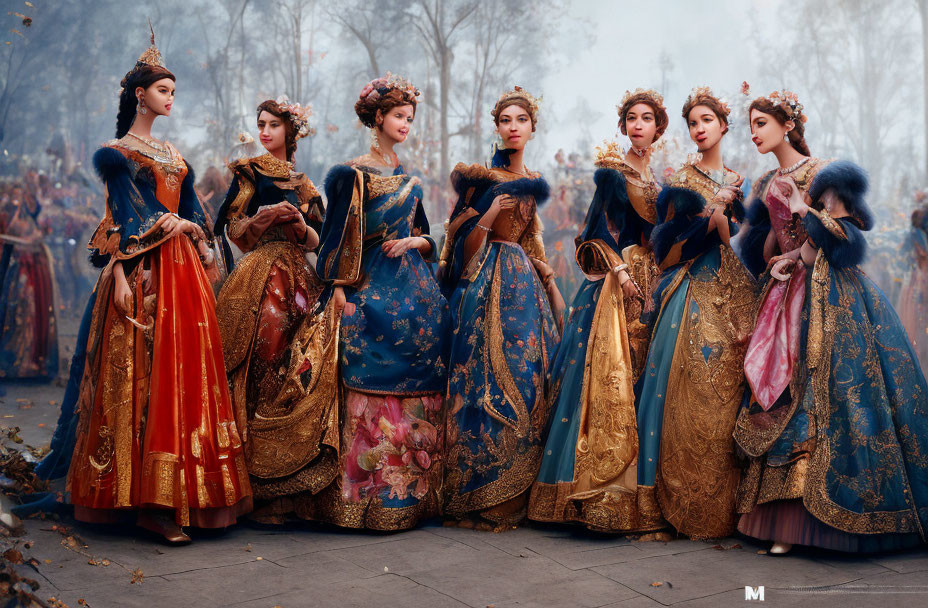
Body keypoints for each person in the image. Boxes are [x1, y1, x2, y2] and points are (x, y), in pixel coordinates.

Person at [37, 33, 251, 543]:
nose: (170, 97)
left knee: (186, 376)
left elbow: (193, 212)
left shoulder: (174, 153)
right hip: (146, 272)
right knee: (143, 380)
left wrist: (197, 233)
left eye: (173, 90)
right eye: (162, 89)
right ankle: (145, 503)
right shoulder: (118, 154)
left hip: (184, 277)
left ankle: (186, 494)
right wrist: (129, 262)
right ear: (140, 94)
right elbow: (126, 216)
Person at [735, 90, 928, 554]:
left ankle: (829, 515)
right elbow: (761, 243)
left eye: (762, 123)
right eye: (752, 126)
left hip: (831, 294)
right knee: (781, 391)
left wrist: (806, 213)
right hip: (784, 293)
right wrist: (777, 259)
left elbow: (849, 237)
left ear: (787, 124)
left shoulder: (824, 173)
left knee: (828, 390)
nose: (756, 133)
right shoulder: (763, 182)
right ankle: (783, 520)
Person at [308, 74, 448, 530]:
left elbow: (429, 235)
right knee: (367, 373)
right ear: (377, 118)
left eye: (410, 118)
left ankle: (414, 495)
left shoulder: (411, 181)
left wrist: (415, 243)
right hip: (369, 293)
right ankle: (364, 494)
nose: (405, 124)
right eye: (398, 116)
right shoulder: (353, 174)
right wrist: (339, 289)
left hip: (415, 295)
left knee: (424, 371)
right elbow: (333, 240)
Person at [528, 89, 666, 531]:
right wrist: (623, 274)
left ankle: (639, 491)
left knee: (642, 383)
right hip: (616, 285)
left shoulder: (659, 181)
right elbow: (592, 233)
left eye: (647, 118)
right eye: (631, 117)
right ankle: (591, 492)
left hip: (653, 285)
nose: (638, 124)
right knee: (607, 382)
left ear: (659, 128)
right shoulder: (613, 174)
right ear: (623, 125)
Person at [635, 87, 756, 539]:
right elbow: (665, 255)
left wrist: (730, 216)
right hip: (691, 293)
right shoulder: (681, 181)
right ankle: (676, 503)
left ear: (724, 126)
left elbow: (745, 244)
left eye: (707, 120)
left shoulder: (739, 179)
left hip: (736, 295)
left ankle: (727, 508)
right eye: (693, 122)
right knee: (687, 391)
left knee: (728, 393)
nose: (700, 128)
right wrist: (711, 215)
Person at [441, 86, 563, 531]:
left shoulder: (532, 180)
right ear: (497, 127)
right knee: (484, 375)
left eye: (521, 120)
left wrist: (550, 283)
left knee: (528, 374)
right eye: (505, 120)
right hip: (486, 282)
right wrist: (489, 214)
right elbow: (458, 241)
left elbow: (531, 241)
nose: (513, 127)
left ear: (532, 128)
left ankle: (516, 490)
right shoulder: (480, 180)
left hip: (524, 286)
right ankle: (478, 490)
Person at [213, 97, 339, 524]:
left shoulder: (306, 185)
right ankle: (247, 478)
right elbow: (233, 231)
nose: (265, 132)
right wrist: (263, 219)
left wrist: (303, 227)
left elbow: (321, 241)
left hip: (299, 279)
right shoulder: (249, 172)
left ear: (291, 131)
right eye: (260, 124)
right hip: (259, 276)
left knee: (297, 365)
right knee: (260, 360)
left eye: (273, 125)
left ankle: (286, 480)